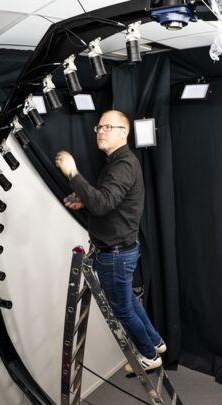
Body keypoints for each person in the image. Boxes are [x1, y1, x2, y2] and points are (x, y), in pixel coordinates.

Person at [55, 110, 165, 371]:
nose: (101, 131)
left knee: (122, 309)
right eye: (100, 127)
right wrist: (85, 201)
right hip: (121, 250)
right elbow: (110, 201)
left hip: (115, 255)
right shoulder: (118, 162)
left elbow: (103, 204)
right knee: (128, 302)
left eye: (109, 127)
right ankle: (156, 342)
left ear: (124, 133)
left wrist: (72, 173)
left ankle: (149, 355)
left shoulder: (123, 164)